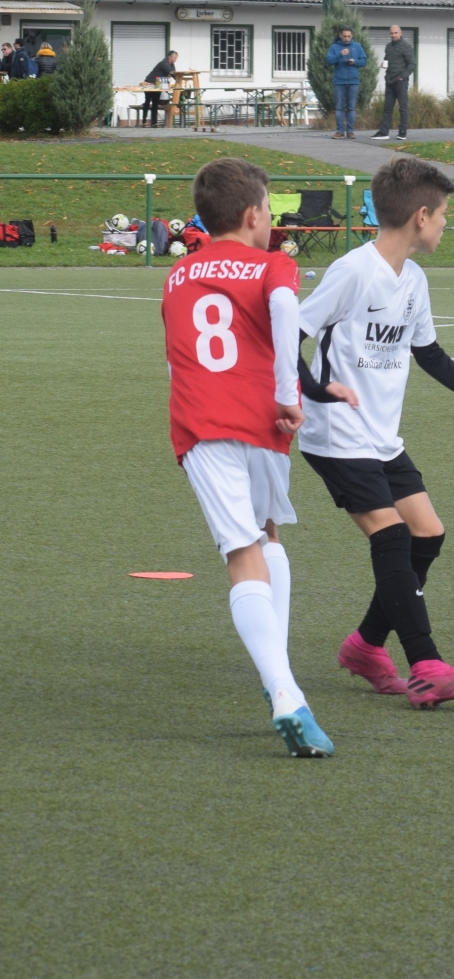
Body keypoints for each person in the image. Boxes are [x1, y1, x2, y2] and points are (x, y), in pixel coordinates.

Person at [298, 156, 454, 707]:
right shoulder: (353, 271)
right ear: (421, 216)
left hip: (380, 436)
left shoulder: (415, 280)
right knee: (393, 535)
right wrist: (318, 393)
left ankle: (366, 645)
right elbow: (289, 336)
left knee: (428, 534)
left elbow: (430, 355)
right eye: (443, 214)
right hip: (336, 434)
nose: (445, 223)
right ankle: (426, 665)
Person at [162, 157, 345, 756]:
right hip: (263, 420)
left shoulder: (178, 275)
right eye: (269, 210)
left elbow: (175, 356)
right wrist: (290, 395)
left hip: (202, 423)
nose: (272, 220)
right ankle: (283, 688)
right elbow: (287, 314)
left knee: (245, 551)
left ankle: (281, 686)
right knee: (266, 537)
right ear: (251, 215)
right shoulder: (273, 264)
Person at [372, 26, 416, 141]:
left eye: (396, 33)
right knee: (387, 107)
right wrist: (384, 65)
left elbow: (412, 63)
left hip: (401, 82)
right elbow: (387, 60)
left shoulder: (406, 46)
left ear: (401, 33)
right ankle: (384, 132)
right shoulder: (388, 47)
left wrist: (403, 76)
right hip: (390, 81)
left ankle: (402, 132)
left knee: (403, 107)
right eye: (392, 33)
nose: (394, 35)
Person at [325, 26, 366, 139]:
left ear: (351, 36)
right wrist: (340, 55)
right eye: (344, 36)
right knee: (339, 107)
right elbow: (328, 61)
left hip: (353, 81)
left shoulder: (357, 46)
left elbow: (364, 61)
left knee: (351, 107)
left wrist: (355, 62)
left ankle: (350, 131)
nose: (347, 39)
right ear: (340, 35)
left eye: (349, 36)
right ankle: (340, 131)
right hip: (339, 81)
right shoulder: (334, 47)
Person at [141, 50, 179, 127]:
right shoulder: (164, 63)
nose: (175, 59)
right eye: (174, 58)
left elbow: (174, 75)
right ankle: (144, 121)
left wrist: (178, 81)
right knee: (147, 101)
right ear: (170, 57)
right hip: (150, 82)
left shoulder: (172, 65)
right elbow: (171, 72)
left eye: (176, 58)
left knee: (155, 102)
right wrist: (177, 77)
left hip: (158, 84)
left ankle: (154, 122)